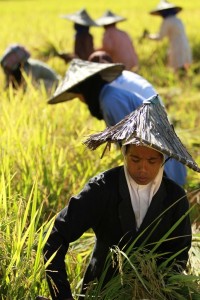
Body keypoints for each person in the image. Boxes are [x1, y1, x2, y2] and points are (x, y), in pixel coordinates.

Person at [43, 96, 200, 299]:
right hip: (100, 292)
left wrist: (157, 287)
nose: (142, 168)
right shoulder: (102, 189)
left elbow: (178, 256)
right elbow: (55, 237)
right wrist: (61, 295)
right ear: (124, 153)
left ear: (163, 158)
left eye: (152, 160)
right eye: (135, 159)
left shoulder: (174, 198)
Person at [48, 58, 187, 186]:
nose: (82, 101)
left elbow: (136, 144)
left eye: (79, 97)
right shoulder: (110, 95)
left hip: (164, 167)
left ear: (85, 91)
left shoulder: (110, 101)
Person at [144, 0, 192, 73]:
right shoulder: (178, 20)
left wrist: (148, 36)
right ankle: (185, 82)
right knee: (184, 67)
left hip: (176, 47)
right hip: (185, 45)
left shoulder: (167, 21)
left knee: (178, 69)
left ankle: (180, 82)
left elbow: (159, 37)